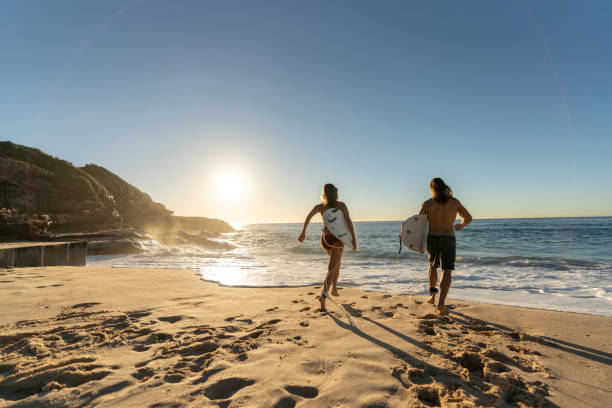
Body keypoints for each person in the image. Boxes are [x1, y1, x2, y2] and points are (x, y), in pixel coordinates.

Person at [298, 183, 357, 312]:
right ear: (336, 193)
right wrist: (353, 239)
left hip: (325, 239)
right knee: (332, 267)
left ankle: (334, 288)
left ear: (324, 194)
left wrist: (303, 232)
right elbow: (348, 222)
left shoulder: (320, 207)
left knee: (337, 263)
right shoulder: (341, 205)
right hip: (337, 240)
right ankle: (324, 295)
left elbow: (308, 216)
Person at [419, 178, 472, 315]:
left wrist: (417, 243)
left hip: (433, 238)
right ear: (444, 187)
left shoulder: (427, 204)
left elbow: (418, 225)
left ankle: (432, 295)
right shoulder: (454, 202)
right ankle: (441, 304)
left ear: (431, 189)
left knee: (432, 266)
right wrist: (461, 225)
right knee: (447, 271)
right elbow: (468, 218)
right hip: (448, 238)